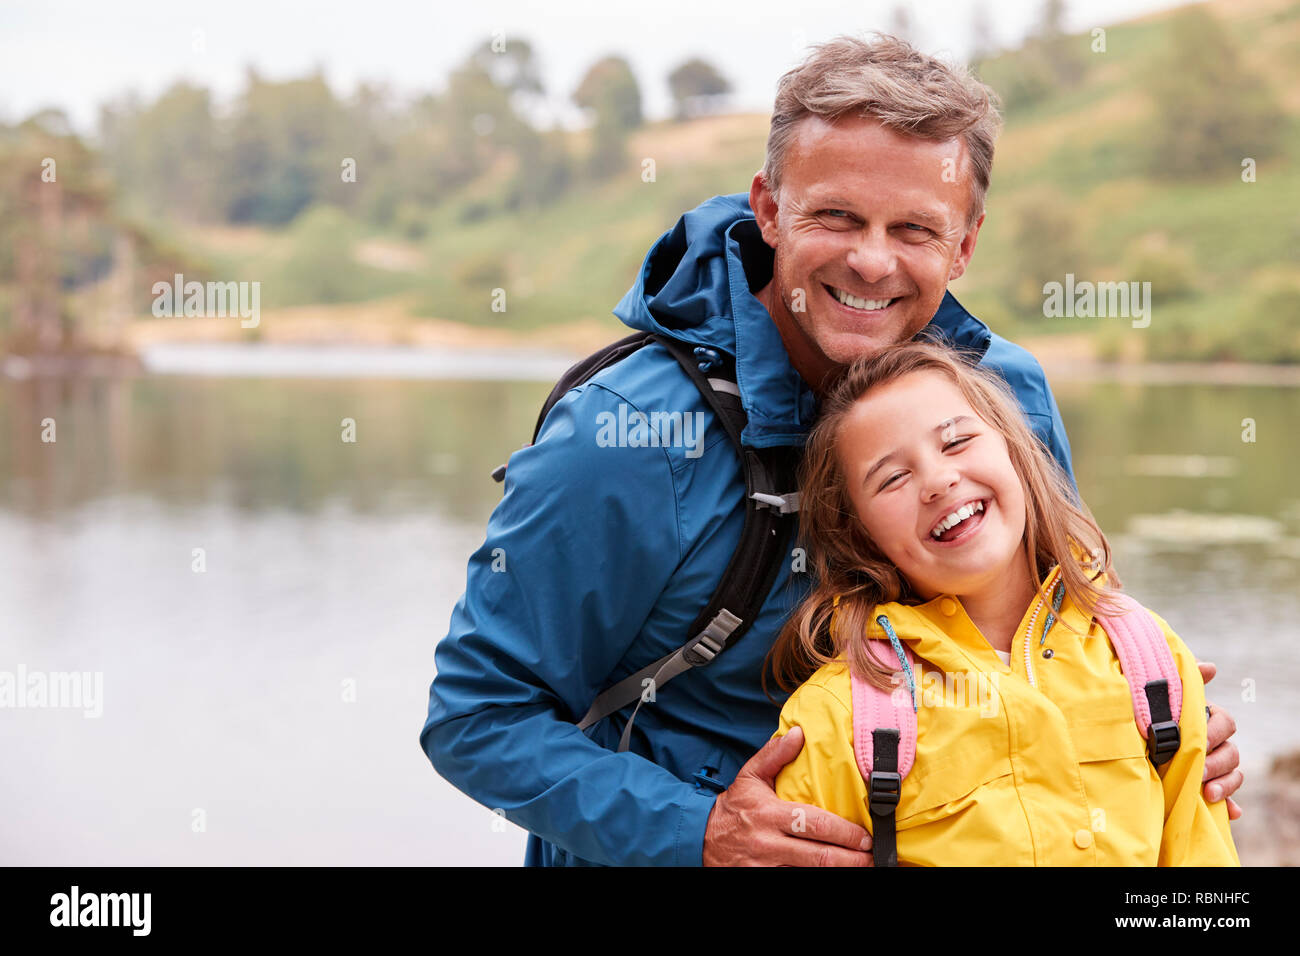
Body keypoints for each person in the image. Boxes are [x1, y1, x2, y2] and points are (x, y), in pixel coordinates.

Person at [419, 34, 1242, 867]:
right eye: (837, 216)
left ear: (965, 244)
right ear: (770, 209)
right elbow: (476, 717)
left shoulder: (1008, 398)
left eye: (916, 228)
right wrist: (696, 832)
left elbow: (1059, 626)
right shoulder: (622, 438)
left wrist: (1155, 725)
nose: (872, 260)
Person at [768, 340, 1240, 865]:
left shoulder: (1147, 659)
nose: (939, 481)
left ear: (1014, 448)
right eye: (893, 478)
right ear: (859, 534)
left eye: (957, 442)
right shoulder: (840, 715)